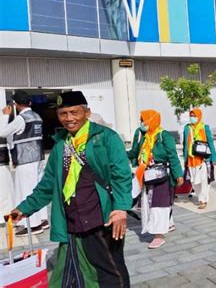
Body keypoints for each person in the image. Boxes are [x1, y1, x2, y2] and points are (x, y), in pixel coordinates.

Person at [10, 91, 132, 287]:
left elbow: (121, 175)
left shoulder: (105, 138)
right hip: (72, 221)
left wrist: (120, 209)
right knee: (74, 273)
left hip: (102, 219)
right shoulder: (61, 143)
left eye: (74, 112)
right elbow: (48, 184)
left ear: (87, 112)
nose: (69, 119)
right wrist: (24, 208)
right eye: (63, 113)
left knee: (110, 272)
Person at [128, 109, 184, 249]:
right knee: (149, 204)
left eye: (144, 120)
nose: (142, 123)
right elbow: (134, 152)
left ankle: (159, 236)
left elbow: (172, 155)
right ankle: (168, 223)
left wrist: (178, 174)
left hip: (161, 175)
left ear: (152, 120)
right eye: (141, 121)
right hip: (146, 175)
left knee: (159, 204)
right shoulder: (144, 136)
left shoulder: (164, 136)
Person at [0, 91, 48, 236]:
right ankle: (43, 220)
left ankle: (33, 226)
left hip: (25, 159)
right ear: (30, 103)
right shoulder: (36, 116)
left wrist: (5, 116)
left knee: (26, 191)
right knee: (37, 189)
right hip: (38, 158)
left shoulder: (21, 118)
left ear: (15, 104)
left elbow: (2, 132)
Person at [183, 107, 216, 210]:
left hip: (203, 159)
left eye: (194, 116)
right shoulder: (187, 128)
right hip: (191, 158)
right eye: (191, 116)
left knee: (204, 180)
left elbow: (210, 142)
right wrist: (185, 158)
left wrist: (214, 157)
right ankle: (201, 197)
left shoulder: (205, 127)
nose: (192, 117)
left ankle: (203, 200)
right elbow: (185, 143)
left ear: (199, 116)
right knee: (194, 181)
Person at [0, 107, 14, 217]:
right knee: (5, 190)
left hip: (2, 161)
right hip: (3, 161)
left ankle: (5, 215)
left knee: (5, 190)